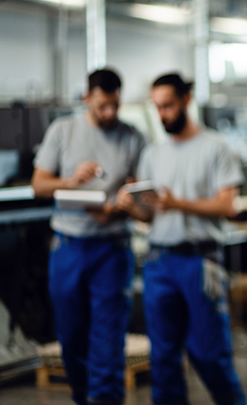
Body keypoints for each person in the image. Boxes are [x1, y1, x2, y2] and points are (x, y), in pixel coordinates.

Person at [116, 73, 246, 405]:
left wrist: (178, 203)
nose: (162, 114)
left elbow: (228, 205)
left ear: (186, 101)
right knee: (163, 359)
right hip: (159, 261)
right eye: (157, 108)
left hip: (200, 262)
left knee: (209, 354)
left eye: (168, 106)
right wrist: (131, 207)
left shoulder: (215, 148)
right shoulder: (152, 154)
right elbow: (149, 215)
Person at [31, 68, 146, 405]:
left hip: (112, 249)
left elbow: (140, 191)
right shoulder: (62, 130)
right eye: (101, 107)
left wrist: (124, 203)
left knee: (108, 339)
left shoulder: (132, 137)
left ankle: (105, 399)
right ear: (87, 99)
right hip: (68, 247)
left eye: (114, 106)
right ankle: (83, 397)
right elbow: (39, 185)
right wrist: (70, 181)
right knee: (71, 336)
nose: (109, 113)